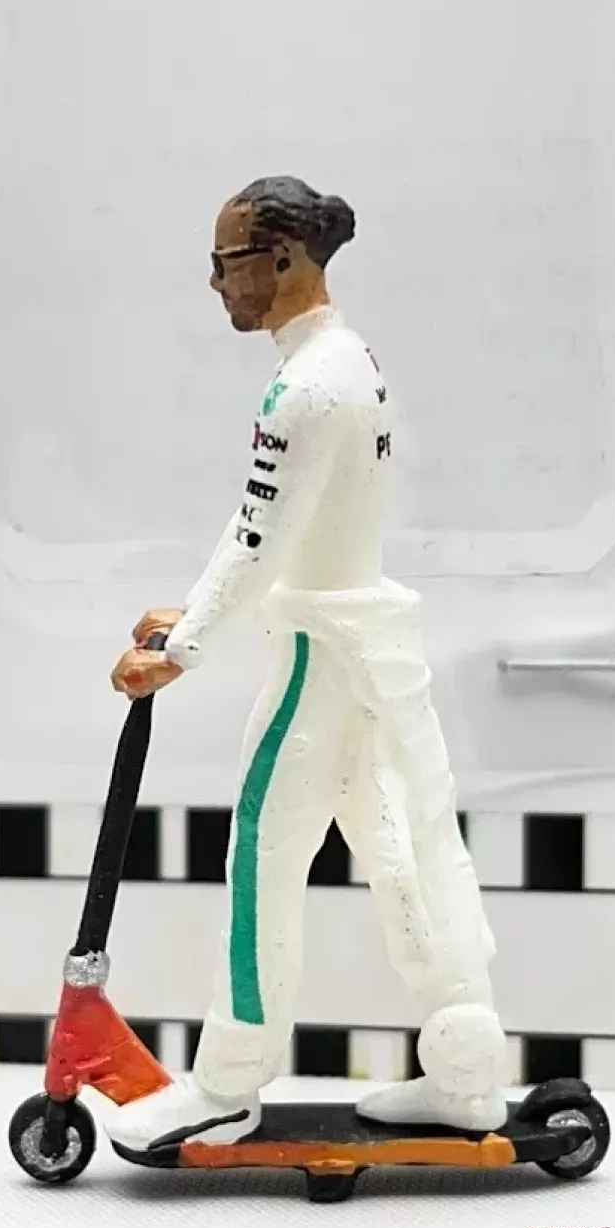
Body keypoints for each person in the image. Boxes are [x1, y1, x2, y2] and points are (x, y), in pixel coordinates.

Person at [105, 176, 508, 1151]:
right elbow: (284, 527)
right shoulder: (350, 361)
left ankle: (227, 1082)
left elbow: (261, 536)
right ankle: (467, 1067)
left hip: (319, 657)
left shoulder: (303, 390)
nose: (215, 283)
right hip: (364, 646)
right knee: (401, 844)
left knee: (260, 856)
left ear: (281, 260)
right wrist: (191, 612)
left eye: (225, 262)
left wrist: (184, 649)